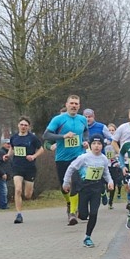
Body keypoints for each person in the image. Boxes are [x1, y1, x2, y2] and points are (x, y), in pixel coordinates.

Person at [43, 94, 89, 225]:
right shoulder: (58, 119)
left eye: (76, 104)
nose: (74, 106)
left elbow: (86, 132)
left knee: (77, 182)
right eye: (72, 103)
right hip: (62, 158)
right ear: (67, 104)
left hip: (78, 157)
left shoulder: (82, 119)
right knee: (64, 187)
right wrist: (63, 136)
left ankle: (73, 213)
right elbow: (46, 135)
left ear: (79, 106)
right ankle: (69, 203)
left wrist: (85, 141)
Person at [62, 134, 114, 247]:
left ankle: (88, 236)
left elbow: (106, 173)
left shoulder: (104, 159)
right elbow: (71, 168)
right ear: (90, 145)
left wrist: (110, 182)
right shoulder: (84, 157)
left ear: (102, 146)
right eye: (94, 144)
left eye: (99, 144)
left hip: (96, 188)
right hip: (84, 188)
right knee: (83, 215)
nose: (96, 146)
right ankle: (80, 213)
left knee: (94, 213)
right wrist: (66, 182)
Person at [4, 117, 44, 223]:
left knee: (27, 195)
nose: (23, 127)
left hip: (30, 168)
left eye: (25, 125)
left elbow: (41, 149)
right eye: (21, 124)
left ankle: (28, 193)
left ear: (28, 127)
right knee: (17, 190)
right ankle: (19, 214)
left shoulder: (32, 138)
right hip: (17, 167)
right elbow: (12, 148)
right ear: (18, 125)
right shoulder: (14, 138)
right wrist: (8, 155)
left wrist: (34, 156)